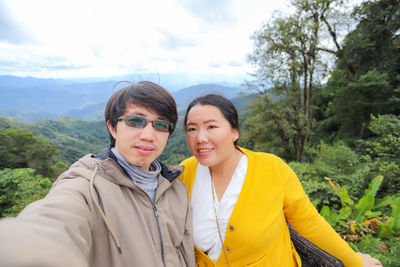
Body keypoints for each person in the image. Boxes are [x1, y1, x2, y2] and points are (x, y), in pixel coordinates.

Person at [0, 81, 195, 267]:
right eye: (135, 121)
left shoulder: (176, 189)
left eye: (161, 125)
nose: (148, 135)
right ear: (112, 127)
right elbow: (53, 222)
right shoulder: (87, 184)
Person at [179, 94, 383, 267]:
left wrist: (355, 262)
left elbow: (309, 222)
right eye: (192, 129)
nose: (200, 138)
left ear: (234, 131)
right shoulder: (186, 172)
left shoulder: (271, 169)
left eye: (211, 126)